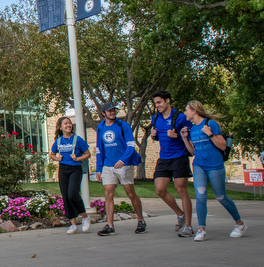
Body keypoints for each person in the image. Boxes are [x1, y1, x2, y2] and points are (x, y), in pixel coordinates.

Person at [180, 101, 247, 241]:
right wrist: (185, 138)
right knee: (200, 197)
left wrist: (210, 134)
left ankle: (239, 224)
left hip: (215, 165)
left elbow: (223, 146)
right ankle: (201, 229)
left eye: (186, 110)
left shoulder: (210, 124)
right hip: (199, 165)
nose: (185, 113)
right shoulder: (192, 129)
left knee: (221, 196)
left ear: (194, 111)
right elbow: (193, 152)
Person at [94, 102, 145, 236]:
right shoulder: (101, 127)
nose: (112, 112)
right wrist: (99, 168)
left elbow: (130, 145)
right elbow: (99, 149)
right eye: (109, 111)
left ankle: (141, 220)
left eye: (113, 110)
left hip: (124, 165)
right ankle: (110, 225)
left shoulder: (123, 125)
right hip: (108, 165)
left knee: (130, 193)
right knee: (108, 194)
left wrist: (123, 160)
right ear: (103, 113)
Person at [150, 90, 194, 237]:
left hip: (179, 157)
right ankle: (180, 214)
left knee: (181, 189)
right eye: (156, 103)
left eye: (159, 102)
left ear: (168, 100)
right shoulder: (156, 118)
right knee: (159, 190)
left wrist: (177, 137)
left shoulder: (181, 117)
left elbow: (189, 137)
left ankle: (188, 226)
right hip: (164, 158)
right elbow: (158, 137)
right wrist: (153, 136)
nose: (157, 105)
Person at [50, 116, 92, 234]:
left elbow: (88, 154)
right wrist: (57, 158)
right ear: (60, 127)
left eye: (70, 123)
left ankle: (85, 217)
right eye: (66, 124)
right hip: (63, 169)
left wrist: (78, 158)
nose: (68, 125)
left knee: (72, 193)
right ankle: (73, 225)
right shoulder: (58, 141)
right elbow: (52, 154)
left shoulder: (78, 139)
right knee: (66, 196)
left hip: (75, 169)